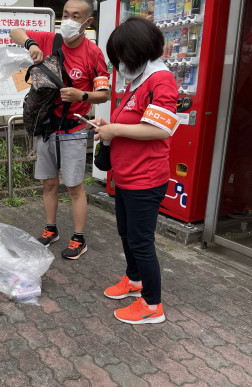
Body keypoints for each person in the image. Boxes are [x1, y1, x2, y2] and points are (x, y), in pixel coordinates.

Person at [92, 17, 180, 324]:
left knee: (141, 241)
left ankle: (152, 305)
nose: (118, 64)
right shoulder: (137, 81)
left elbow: (159, 130)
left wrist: (113, 128)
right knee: (126, 234)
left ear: (137, 51)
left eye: (120, 57)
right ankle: (134, 281)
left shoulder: (161, 80)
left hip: (145, 179)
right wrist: (109, 127)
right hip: (127, 176)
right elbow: (130, 124)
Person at [10, 0, 110, 260]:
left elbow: (104, 94)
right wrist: (30, 44)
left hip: (74, 130)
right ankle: (50, 228)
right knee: (48, 184)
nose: (68, 20)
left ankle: (79, 238)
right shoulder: (50, 40)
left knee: (75, 187)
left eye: (75, 16)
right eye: (65, 14)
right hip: (46, 127)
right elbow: (15, 31)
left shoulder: (94, 53)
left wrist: (82, 95)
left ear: (88, 23)